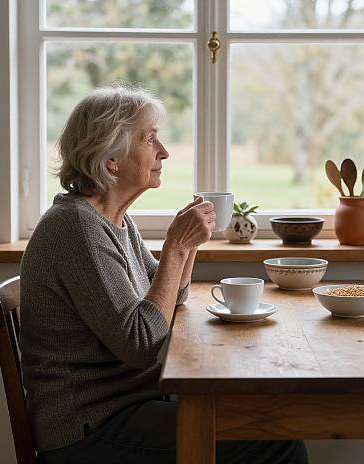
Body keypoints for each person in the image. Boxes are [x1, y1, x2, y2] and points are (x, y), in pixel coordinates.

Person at [19, 85, 308, 464]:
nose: (164, 152)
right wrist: (175, 245)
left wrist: (188, 244)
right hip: (90, 426)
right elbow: (142, 343)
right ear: (112, 161)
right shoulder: (76, 228)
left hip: (129, 402)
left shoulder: (113, 220)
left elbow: (169, 300)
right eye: (150, 139)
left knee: (260, 417)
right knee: (278, 441)